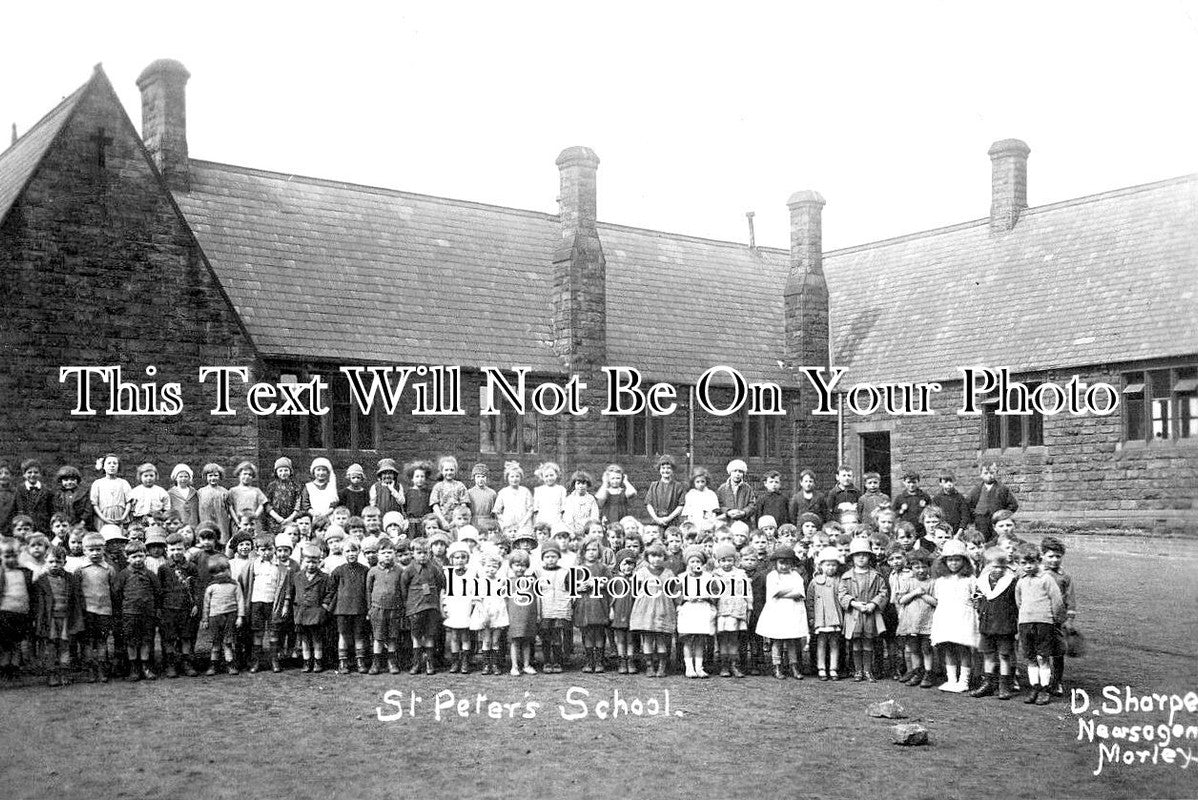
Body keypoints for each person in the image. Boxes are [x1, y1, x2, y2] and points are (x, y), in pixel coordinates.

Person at [1015, 543, 1065, 705]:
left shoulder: (1046, 579)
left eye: (1032, 562)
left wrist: (1055, 619)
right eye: (1024, 563)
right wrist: (1024, 616)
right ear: (1019, 564)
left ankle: (1044, 689)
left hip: (1044, 623)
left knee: (1042, 657)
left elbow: (1057, 600)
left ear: (1039, 561)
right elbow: (1019, 601)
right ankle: (1034, 687)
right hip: (1026, 623)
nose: (1028, 566)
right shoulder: (1021, 581)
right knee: (1030, 657)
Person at [929, 539, 978, 693]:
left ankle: (963, 681)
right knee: (948, 647)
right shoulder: (940, 581)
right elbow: (938, 599)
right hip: (946, 616)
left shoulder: (970, 579)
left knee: (963, 648)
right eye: (950, 560)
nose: (954, 563)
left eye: (957, 560)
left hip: (963, 616)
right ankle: (951, 679)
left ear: (964, 561)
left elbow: (975, 598)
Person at [972, 546, 1018, 700]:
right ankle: (988, 683)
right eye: (994, 566)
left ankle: (1004, 685)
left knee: (1004, 655)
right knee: (988, 655)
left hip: (1005, 625)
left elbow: (1017, 603)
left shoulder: (1011, 582)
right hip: (986, 625)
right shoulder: (981, 582)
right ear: (987, 566)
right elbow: (977, 598)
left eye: (1002, 567)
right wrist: (978, 606)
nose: (998, 570)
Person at [838, 538, 887, 682]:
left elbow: (883, 593)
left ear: (870, 557)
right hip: (854, 613)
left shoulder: (876, 576)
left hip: (870, 614)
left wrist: (873, 603)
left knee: (868, 642)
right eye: (857, 554)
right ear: (852, 557)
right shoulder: (846, 577)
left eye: (864, 554)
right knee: (855, 643)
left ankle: (867, 670)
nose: (861, 557)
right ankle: (857, 671)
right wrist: (853, 603)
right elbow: (841, 594)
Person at [756, 545, 807, 680]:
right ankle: (777, 666)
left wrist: (784, 591)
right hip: (777, 612)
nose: (784, 566)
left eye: (788, 563)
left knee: (791, 640)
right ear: (776, 563)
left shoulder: (795, 575)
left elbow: (800, 593)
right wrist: (790, 590)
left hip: (792, 611)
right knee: (777, 640)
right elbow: (775, 593)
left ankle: (793, 666)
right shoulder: (772, 576)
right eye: (781, 563)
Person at [114, 540, 162, 681]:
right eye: (134, 557)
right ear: (127, 558)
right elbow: (117, 594)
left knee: (146, 640)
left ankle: (145, 666)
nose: (138, 560)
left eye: (140, 556)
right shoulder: (123, 575)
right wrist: (121, 611)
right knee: (131, 641)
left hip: (147, 614)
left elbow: (158, 592)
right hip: (129, 614)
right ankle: (134, 667)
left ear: (145, 556)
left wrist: (156, 609)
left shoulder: (150, 574)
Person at [35, 547, 83, 686]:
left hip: (66, 619)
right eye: (51, 561)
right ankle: (52, 674)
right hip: (49, 620)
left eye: (58, 561)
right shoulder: (41, 581)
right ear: (45, 561)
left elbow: (76, 600)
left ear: (64, 562)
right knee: (50, 647)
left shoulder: (70, 579)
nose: (54, 564)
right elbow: (38, 605)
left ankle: (64, 673)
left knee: (65, 646)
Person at [629, 543, 676, 678]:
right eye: (653, 556)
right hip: (645, 608)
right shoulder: (641, 572)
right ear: (647, 557)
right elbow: (634, 591)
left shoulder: (668, 573)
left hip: (663, 607)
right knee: (647, 639)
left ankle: (662, 666)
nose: (656, 559)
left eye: (659, 556)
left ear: (664, 557)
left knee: (661, 639)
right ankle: (649, 666)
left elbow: (673, 591)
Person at [400, 536, 444, 675]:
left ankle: (429, 664)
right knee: (416, 636)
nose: (423, 556)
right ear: (413, 553)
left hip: (431, 607)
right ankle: (417, 663)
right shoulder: (409, 570)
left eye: (425, 552)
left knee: (430, 635)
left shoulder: (434, 568)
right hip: (415, 608)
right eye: (419, 552)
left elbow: (440, 583)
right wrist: (408, 605)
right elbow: (403, 588)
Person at [327, 537, 370, 673]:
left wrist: (368, 609)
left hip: (359, 608)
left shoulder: (365, 570)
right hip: (342, 609)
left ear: (359, 552)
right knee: (343, 635)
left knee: (359, 635)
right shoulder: (338, 571)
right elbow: (331, 590)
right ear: (343, 553)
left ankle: (360, 661)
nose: (351, 553)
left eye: (354, 550)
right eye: (348, 551)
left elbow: (368, 590)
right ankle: (343, 662)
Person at [1040, 535, 1076, 696]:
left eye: (1058, 556)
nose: (1054, 560)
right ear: (1042, 556)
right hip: (1040, 617)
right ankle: (1043, 681)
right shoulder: (1038, 573)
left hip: (1058, 620)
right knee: (1042, 651)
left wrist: (1069, 620)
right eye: (1050, 556)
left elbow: (1070, 599)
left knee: (1059, 652)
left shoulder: (1065, 576)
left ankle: (1057, 681)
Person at [159, 532, 199, 677]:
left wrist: (195, 604)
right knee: (169, 637)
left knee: (186, 637)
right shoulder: (163, 568)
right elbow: (161, 590)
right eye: (173, 549)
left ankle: (186, 663)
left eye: (179, 549)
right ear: (167, 550)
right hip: (169, 609)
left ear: (185, 549)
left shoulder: (191, 567)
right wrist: (161, 608)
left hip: (186, 608)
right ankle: (170, 664)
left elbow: (196, 588)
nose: (176, 552)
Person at [78, 532, 116, 682]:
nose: (95, 553)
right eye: (91, 550)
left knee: (102, 640)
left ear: (103, 549)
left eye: (98, 549)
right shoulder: (80, 569)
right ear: (84, 550)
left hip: (104, 611)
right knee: (87, 641)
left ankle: (101, 668)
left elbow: (113, 591)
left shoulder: (109, 569)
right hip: (87, 611)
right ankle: (90, 669)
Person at [896, 549, 937, 687]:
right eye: (917, 567)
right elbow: (901, 600)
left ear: (929, 567)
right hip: (911, 622)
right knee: (914, 649)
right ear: (911, 567)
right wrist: (914, 592)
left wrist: (923, 595)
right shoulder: (908, 581)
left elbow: (936, 602)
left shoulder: (932, 582)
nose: (920, 570)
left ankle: (928, 673)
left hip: (927, 622)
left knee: (926, 649)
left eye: (924, 567)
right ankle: (917, 672)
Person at [676, 545, 716, 678]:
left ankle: (699, 667)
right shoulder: (682, 577)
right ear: (687, 563)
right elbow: (676, 594)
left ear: (702, 563)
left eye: (698, 561)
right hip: (688, 609)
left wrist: (707, 596)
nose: (695, 564)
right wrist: (685, 598)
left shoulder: (708, 577)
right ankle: (689, 668)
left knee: (699, 640)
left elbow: (715, 593)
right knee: (687, 640)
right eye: (692, 561)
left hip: (702, 609)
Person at [572, 535, 611, 673]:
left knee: (599, 633)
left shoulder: (603, 568)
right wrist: (578, 587)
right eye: (588, 550)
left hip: (598, 604)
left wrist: (596, 583)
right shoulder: (578, 569)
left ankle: (599, 660)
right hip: (584, 605)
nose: (591, 552)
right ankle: (589, 660)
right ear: (583, 552)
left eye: (594, 549)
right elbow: (569, 586)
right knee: (587, 633)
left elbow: (610, 583)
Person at [201, 555, 244, 675]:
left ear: (229, 570)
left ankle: (230, 664)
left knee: (228, 642)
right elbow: (206, 604)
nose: (221, 574)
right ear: (212, 574)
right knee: (216, 642)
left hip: (231, 616)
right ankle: (213, 665)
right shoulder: (211, 587)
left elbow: (240, 601)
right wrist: (205, 620)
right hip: (215, 617)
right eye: (217, 572)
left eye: (224, 570)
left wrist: (240, 616)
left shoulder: (235, 585)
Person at [712, 542, 750, 678]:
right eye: (723, 561)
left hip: (737, 610)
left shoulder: (741, 574)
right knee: (722, 640)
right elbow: (712, 594)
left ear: (734, 560)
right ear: (718, 561)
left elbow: (747, 592)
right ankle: (724, 665)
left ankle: (734, 665)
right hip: (722, 611)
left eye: (729, 560)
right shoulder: (715, 575)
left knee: (734, 639)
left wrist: (749, 605)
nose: (726, 563)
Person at [289, 545, 329, 672]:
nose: (311, 565)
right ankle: (306, 661)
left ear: (319, 562)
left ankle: (318, 661)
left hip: (316, 613)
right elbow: (291, 592)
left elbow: (329, 593)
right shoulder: (297, 576)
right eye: (308, 561)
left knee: (317, 638)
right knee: (304, 639)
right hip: (301, 612)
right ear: (302, 561)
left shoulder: (324, 577)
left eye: (314, 562)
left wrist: (324, 606)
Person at [469, 551, 509, 675]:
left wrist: (503, 612)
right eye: (488, 566)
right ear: (483, 566)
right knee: (486, 640)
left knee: (495, 640)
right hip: (484, 613)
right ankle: (486, 665)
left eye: (494, 566)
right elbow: (477, 600)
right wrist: (484, 614)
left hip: (498, 613)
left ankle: (495, 664)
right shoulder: (479, 582)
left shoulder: (501, 581)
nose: (490, 569)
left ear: (498, 568)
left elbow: (505, 598)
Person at [808, 546, 844, 680]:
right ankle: (821, 668)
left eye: (834, 565)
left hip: (834, 618)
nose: (831, 568)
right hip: (820, 619)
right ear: (821, 565)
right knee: (821, 643)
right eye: (827, 565)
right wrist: (811, 617)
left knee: (835, 643)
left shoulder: (839, 580)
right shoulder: (814, 582)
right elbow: (810, 601)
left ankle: (833, 668)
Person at [0, 541, 35, 680]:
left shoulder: (24, 572)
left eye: (14, 556)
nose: (11, 560)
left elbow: (29, 592)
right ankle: (4, 667)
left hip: (21, 612)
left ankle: (14, 668)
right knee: (4, 643)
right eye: (7, 556)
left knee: (17, 642)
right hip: (4, 612)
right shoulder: (2, 573)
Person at [505, 550, 539, 675]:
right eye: (517, 565)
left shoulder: (531, 581)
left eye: (523, 565)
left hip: (527, 615)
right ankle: (514, 666)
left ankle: (526, 664)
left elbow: (535, 598)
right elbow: (506, 599)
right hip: (514, 615)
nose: (520, 568)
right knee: (515, 641)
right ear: (511, 565)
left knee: (526, 641)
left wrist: (537, 614)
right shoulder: (509, 581)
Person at [966, 463, 1018, 542]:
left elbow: (1013, 505)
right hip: (981, 522)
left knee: (998, 540)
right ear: (981, 475)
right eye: (986, 473)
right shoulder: (976, 490)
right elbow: (968, 505)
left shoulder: (1002, 489)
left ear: (996, 473)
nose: (989, 475)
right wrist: (976, 515)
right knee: (982, 540)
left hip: (997, 522)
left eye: (992, 473)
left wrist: (1003, 515)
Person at [90, 454, 131, 532]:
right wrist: (104, 518)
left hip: (119, 516)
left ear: (118, 466)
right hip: (103, 516)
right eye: (109, 463)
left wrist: (123, 517)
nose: (112, 466)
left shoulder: (123, 483)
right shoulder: (98, 483)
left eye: (115, 463)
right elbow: (94, 504)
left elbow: (129, 502)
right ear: (103, 466)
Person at [494, 461, 534, 541]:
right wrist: (505, 521)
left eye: (517, 476)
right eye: (512, 476)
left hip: (524, 524)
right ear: (507, 478)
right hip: (508, 524)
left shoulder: (525, 491)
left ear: (520, 477)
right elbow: (497, 511)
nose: (514, 479)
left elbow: (530, 509)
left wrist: (523, 522)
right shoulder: (503, 492)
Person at [644, 455, 685, 529]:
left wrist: (668, 518)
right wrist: (656, 518)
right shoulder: (654, 485)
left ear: (672, 470)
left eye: (668, 468)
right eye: (663, 468)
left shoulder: (678, 486)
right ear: (659, 469)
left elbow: (681, 505)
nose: (665, 470)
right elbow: (648, 503)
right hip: (656, 521)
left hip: (672, 522)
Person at [14, 459, 54, 536]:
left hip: (43, 528)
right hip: (25, 528)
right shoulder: (19, 490)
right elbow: (15, 509)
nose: (33, 475)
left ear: (40, 474)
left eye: (36, 472)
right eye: (29, 472)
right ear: (24, 475)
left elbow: (51, 510)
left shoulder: (47, 491)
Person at [430, 456, 468, 531]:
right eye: (446, 470)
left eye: (451, 470)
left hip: (457, 521)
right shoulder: (438, 486)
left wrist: (456, 520)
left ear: (455, 471)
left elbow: (463, 504)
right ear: (441, 471)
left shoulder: (460, 486)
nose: (449, 472)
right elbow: (435, 505)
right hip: (441, 520)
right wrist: (442, 520)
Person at [197, 463, 231, 545]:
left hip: (221, 521)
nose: (213, 478)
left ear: (220, 476)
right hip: (206, 519)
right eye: (210, 476)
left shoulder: (224, 492)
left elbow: (229, 508)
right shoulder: (201, 492)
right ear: (206, 477)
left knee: (222, 540)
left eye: (216, 475)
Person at [716, 459, 753, 524]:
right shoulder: (722, 489)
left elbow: (752, 504)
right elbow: (718, 504)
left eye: (740, 472)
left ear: (743, 474)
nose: (737, 474)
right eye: (735, 471)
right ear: (730, 473)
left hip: (743, 522)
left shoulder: (747, 488)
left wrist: (744, 512)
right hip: (726, 523)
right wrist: (727, 511)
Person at [301, 457, 338, 522]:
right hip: (314, 517)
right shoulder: (308, 486)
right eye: (318, 470)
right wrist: (313, 513)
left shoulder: (331, 486)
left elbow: (334, 504)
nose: (321, 473)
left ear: (327, 472)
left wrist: (326, 514)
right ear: (313, 472)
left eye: (324, 470)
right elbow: (305, 503)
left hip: (329, 517)